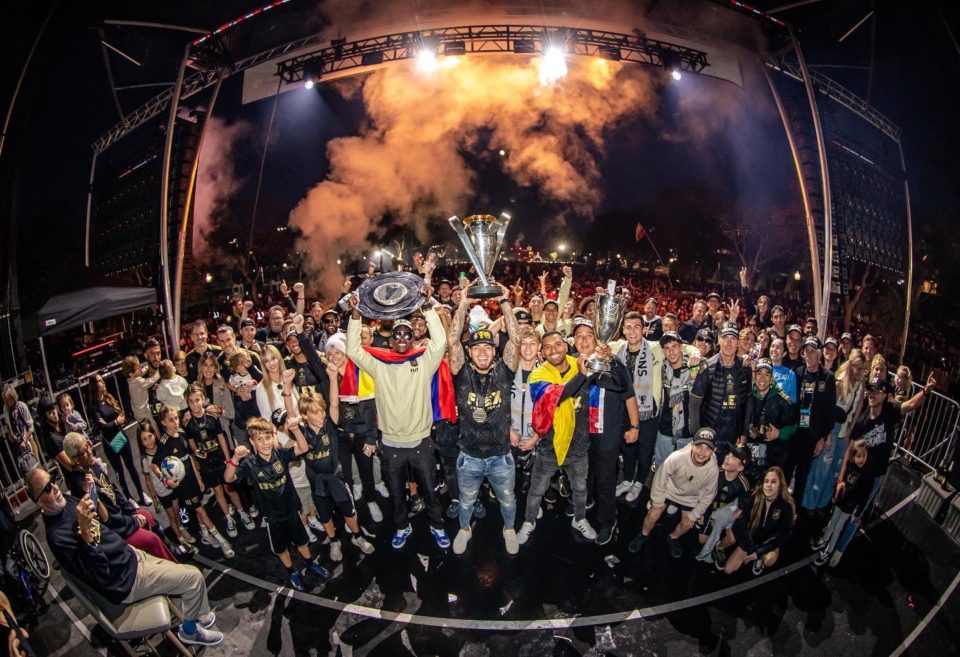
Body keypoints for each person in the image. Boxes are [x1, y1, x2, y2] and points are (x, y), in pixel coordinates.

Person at [27, 467, 223, 646]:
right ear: (38, 502)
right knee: (194, 578)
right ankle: (189, 631)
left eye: (53, 480)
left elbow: (101, 521)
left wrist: (90, 494)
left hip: (129, 556)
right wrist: (86, 537)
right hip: (125, 579)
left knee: (179, 568)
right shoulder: (57, 538)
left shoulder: (66, 502)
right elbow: (99, 576)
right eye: (46, 488)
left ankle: (200, 613)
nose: (54, 487)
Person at [345, 291, 452, 550]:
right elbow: (352, 349)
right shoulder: (379, 364)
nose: (402, 338)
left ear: (413, 337)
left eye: (406, 334)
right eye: (397, 334)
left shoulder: (424, 361)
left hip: (421, 443)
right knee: (396, 495)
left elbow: (440, 342)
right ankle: (402, 527)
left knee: (430, 493)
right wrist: (356, 315)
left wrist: (427, 307)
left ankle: (437, 526)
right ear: (390, 339)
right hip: (391, 444)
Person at [447, 285, 523, 555]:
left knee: (507, 499)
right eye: (476, 348)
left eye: (487, 348)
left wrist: (505, 301)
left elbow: (515, 340)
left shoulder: (504, 371)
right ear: (469, 352)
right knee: (466, 501)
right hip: (469, 456)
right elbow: (453, 340)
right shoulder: (461, 371)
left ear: (494, 351)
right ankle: (465, 530)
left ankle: (509, 529)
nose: (481, 352)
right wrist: (463, 304)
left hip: (501, 455)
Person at [225, 416, 331, 591]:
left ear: (273, 437)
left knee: (301, 542)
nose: (265, 443)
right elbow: (228, 478)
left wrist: (295, 429)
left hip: (292, 511)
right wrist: (235, 459)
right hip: (273, 518)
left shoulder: (280, 454)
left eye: (268, 437)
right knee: (281, 549)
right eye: (259, 439)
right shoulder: (249, 464)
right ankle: (291, 572)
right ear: (252, 441)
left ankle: (310, 564)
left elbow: (303, 447)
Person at [517, 332, 595, 545]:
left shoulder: (582, 362)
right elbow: (558, 396)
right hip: (549, 446)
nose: (553, 350)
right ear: (542, 353)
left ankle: (580, 519)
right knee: (536, 489)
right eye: (548, 347)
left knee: (580, 489)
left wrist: (604, 357)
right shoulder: (538, 375)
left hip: (578, 445)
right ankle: (529, 521)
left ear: (566, 345)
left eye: (558, 344)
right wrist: (581, 375)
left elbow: (612, 377)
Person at [613, 315, 700, 503]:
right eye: (629, 327)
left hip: (649, 410)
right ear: (624, 331)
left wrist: (695, 354)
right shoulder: (617, 348)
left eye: (637, 327)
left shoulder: (655, 348)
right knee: (628, 448)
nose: (633, 331)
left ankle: (639, 482)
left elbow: (684, 346)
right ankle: (627, 479)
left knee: (645, 449)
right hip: (625, 409)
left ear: (644, 329)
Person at [289, 381, 375, 561]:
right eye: (314, 412)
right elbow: (291, 418)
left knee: (348, 510)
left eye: (321, 410)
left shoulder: (330, 425)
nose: (320, 414)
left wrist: (332, 376)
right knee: (325, 515)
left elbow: (335, 403)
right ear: (304, 415)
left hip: (336, 479)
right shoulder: (302, 433)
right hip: (318, 483)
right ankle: (334, 541)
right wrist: (286, 389)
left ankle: (357, 537)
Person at [61, 433, 176, 562]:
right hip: (114, 532)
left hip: (121, 517)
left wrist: (132, 511)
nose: (89, 450)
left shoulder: (93, 466)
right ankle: (173, 567)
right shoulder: (81, 486)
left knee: (148, 517)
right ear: (75, 459)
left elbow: (115, 491)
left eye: (88, 445)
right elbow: (107, 519)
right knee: (151, 540)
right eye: (84, 451)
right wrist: (133, 520)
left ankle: (172, 552)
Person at [153, 405, 234, 558]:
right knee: (200, 510)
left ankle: (204, 534)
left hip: (193, 480)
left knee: (199, 506)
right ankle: (222, 541)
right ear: (163, 423)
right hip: (182, 486)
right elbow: (154, 465)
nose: (175, 422)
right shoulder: (164, 443)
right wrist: (165, 480)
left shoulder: (182, 434)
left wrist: (198, 478)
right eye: (171, 420)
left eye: (176, 418)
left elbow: (189, 457)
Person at [627, 428, 720, 558]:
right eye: (699, 446)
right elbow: (659, 479)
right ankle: (643, 534)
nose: (702, 452)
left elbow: (709, 495)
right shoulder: (677, 457)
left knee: (688, 523)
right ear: (692, 445)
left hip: (690, 497)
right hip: (669, 490)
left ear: (714, 450)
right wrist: (657, 502)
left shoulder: (713, 470)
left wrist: (696, 513)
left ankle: (673, 538)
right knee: (653, 514)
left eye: (708, 448)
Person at [182, 385, 254, 538]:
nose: (195, 404)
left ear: (203, 400)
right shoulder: (188, 424)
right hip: (207, 464)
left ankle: (242, 512)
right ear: (187, 403)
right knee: (217, 491)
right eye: (191, 401)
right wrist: (196, 452)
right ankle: (228, 518)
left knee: (230, 488)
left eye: (197, 400)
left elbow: (221, 438)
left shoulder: (212, 418)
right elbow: (191, 443)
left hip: (220, 458)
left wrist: (229, 460)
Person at [802, 349, 865, 512]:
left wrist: (850, 429)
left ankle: (820, 506)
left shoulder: (859, 382)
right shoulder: (839, 382)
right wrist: (827, 434)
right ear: (851, 366)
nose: (860, 372)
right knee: (821, 469)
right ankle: (807, 504)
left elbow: (858, 406)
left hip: (844, 432)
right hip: (833, 429)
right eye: (858, 368)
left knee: (833, 471)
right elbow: (827, 410)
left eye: (863, 369)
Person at [690, 323, 752, 460]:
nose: (729, 343)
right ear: (719, 340)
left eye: (733, 338)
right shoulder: (707, 367)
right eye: (725, 338)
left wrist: (745, 433)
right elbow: (694, 404)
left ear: (738, 343)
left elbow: (748, 403)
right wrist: (697, 436)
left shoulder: (745, 367)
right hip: (710, 437)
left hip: (734, 438)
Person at [786, 336, 836, 505]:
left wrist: (823, 436)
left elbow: (830, 410)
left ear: (819, 354)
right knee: (786, 470)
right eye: (806, 351)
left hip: (811, 435)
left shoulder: (828, 378)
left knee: (802, 476)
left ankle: (794, 510)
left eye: (812, 351)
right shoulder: (798, 372)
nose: (808, 355)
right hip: (794, 432)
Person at [89, 374, 147, 505]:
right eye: (99, 381)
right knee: (119, 471)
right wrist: (115, 422)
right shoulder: (94, 407)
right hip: (110, 442)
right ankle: (129, 499)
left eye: (102, 380)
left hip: (120, 436)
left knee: (131, 467)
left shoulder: (109, 397)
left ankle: (141, 494)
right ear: (94, 386)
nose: (102, 382)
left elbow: (119, 415)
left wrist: (114, 422)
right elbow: (103, 427)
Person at [812, 440, 872, 567]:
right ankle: (825, 539)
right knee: (832, 521)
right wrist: (836, 495)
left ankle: (828, 550)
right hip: (841, 501)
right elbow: (843, 482)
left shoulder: (867, 475)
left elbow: (864, 497)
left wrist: (858, 512)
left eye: (864, 456)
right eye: (858, 456)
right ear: (853, 456)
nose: (861, 459)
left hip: (849, 506)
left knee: (838, 527)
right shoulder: (850, 466)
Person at [137, 420, 193, 549]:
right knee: (171, 515)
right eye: (144, 439)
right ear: (141, 442)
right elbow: (148, 480)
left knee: (177, 510)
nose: (148, 441)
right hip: (162, 492)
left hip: (173, 486)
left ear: (154, 435)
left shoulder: (163, 448)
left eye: (150, 436)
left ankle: (181, 529)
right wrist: (154, 498)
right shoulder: (145, 459)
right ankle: (180, 538)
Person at [651, 331, 701, 470]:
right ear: (663, 351)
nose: (671, 352)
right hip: (664, 429)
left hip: (687, 431)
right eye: (667, 348)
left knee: (686, 470)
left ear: (681, 347)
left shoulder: (694, 368)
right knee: (661, 468)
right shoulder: (660, 369)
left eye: (674, 346)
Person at [739, 359, 797, 478]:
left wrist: (780, 433)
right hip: (749, 456)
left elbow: (794, 426)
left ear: (771, 378)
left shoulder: (782, 399)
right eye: (759, 373)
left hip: (773, 458)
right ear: (754, 375)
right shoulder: (747, 397)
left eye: (767, 374)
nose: (762, 378)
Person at [695, 446, 752, 565]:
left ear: (741, 467)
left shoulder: (743, 484)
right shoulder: (716, 473)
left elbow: (744, 505)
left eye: (733, 457)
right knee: (702, 540)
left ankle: (718, 547)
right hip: (709, 509)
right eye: (729, 454)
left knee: (731, 538)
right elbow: (701, 493)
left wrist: (733, 518)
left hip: (725, 512)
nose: (727, 458)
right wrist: (700, 512)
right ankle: (711, 531)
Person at [2, 385, 39, 472]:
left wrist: (25, 440)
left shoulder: (21, 406)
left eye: (8, 399)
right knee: (25, 471)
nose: (7, 402)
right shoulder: (5, 408)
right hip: (17, 444)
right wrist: (10, 435)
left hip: (28, 441)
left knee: (36, 468)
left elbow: (30, 426)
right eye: (5, 400)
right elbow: (8, 424)